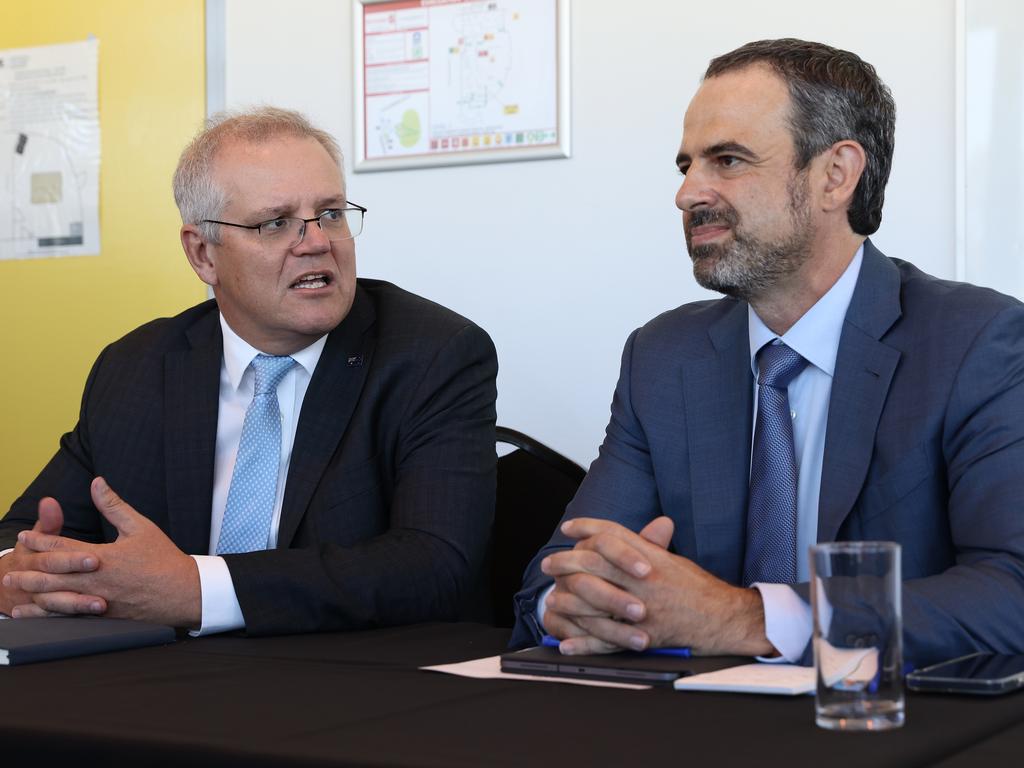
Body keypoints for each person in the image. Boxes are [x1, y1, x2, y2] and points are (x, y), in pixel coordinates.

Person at [512, 39, 1024, 667]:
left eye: (727, 160)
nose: (688, 193)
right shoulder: (664, 358)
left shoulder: (977, 341)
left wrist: (744, 620)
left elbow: (1012, 593)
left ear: (836, 174)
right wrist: (573, 603)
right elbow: (552, 579)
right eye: (686, 166)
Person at [0, 107, 498, 636]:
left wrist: (198, 589)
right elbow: (27, 528)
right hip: (158, 685)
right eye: (276, 222)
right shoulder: (138, 366)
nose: (316, 242)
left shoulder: (432, 355)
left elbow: (435, 563)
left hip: (355, 684)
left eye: (330, 213)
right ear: (203, 255)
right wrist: (19, 569)